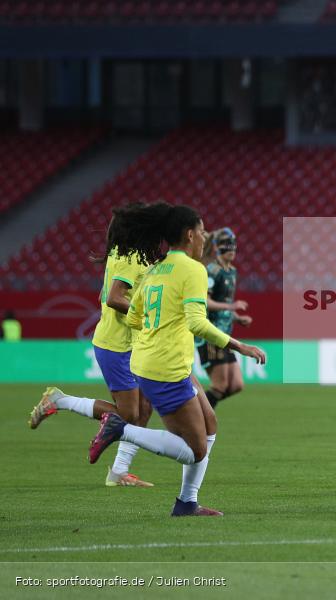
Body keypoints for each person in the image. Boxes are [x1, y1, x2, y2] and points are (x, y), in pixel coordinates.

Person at [86, 203, 266, 516]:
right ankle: (120, 429)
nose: (205, 238)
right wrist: (239, 345)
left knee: (210, 424)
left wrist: (161, 324)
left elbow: (134, 317)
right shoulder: (193, 270)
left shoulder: (156, 268)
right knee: (196, 450)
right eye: (202, 232)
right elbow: (197, 323)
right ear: (189, 235)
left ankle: (187, 503)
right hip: (165, 366)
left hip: (155, 360)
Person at [29, 205, 157, 487]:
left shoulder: (130, 253)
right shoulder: (129, 258)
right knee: (129, 414)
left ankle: (119, 472)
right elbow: (113, 298)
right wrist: (149, 315)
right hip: (116, 345)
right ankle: (59, 401)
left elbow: (110, 295)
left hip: (133, 343)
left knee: (146, 407)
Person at [197, 228, 252, 409]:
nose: (231, 249)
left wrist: (237, 317)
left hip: (225, 334)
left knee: (236, 385)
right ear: (217, 247)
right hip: (211, 334)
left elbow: (225, 303)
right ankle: (196, 414)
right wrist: (231, 307)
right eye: (226, 245)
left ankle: (198, 409)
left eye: (233, 245)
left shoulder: (231, 271)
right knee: (219, 385)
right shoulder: (212, 271)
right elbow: (205, 301)